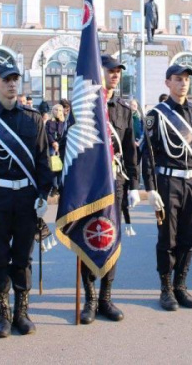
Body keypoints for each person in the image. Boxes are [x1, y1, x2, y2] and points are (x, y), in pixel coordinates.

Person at [0, 62, 52, 338]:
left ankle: (22, 311)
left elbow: (43, 161)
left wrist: (43, 194)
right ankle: (2, 313)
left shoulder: (33, 119)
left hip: (27, 197)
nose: (12, 84)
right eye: (6, 79)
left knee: (23, 258)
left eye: (15, 79)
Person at [141, 64, 192, 311]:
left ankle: (181, 285)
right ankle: (166, 288)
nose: (183, 84)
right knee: (167, 239)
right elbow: (148, 156)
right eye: (178, 79)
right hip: (168, 183)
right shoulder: (156, 115)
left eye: (186, 80)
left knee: (187, 237)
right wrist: (150, 189)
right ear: (167, 83)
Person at [78, 56, 141, 324]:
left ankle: (106, 297)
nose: (115, 75)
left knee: (111, 238)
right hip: (90, 186)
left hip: (116, 183)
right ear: (98, 72)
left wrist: (134, 186)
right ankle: (90, 298)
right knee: (89, 237)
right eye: (110, 71)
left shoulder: (124, 110)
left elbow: (130, 151)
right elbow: (74, 148)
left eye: (118, 72)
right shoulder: (85, 107)